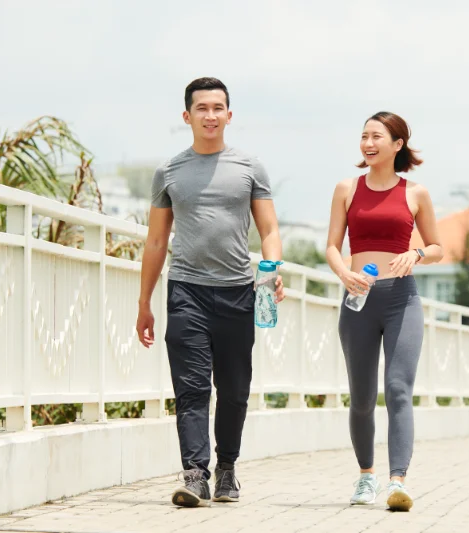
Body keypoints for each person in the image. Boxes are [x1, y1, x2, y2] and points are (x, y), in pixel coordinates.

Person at [136, 77, 285, 508]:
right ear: (187, 116)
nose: (210, 115)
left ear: (229, 115)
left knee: (235, 391)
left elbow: (269, 230)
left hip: (237, 291)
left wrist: (271, 270)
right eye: (202, 108)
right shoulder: (169, 171)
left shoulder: (250, 168)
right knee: (192, 388)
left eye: (218, 108)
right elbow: (156, 241)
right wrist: (144, 302)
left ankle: (227, 469)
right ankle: (195, 475)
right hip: (187, 291)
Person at [325, 111, 443, 512]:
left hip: (401, 300)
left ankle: (398, 482)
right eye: (364, 136)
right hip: (357, 299)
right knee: (361, 397)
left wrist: (417, 253)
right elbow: (331, 246)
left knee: (397, 389)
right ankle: (365, 476)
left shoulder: (416, 193)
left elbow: (438, 247)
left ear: (397, 144)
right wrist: (344, 272)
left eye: (377, 136)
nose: (368, 143)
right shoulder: (347, 189)